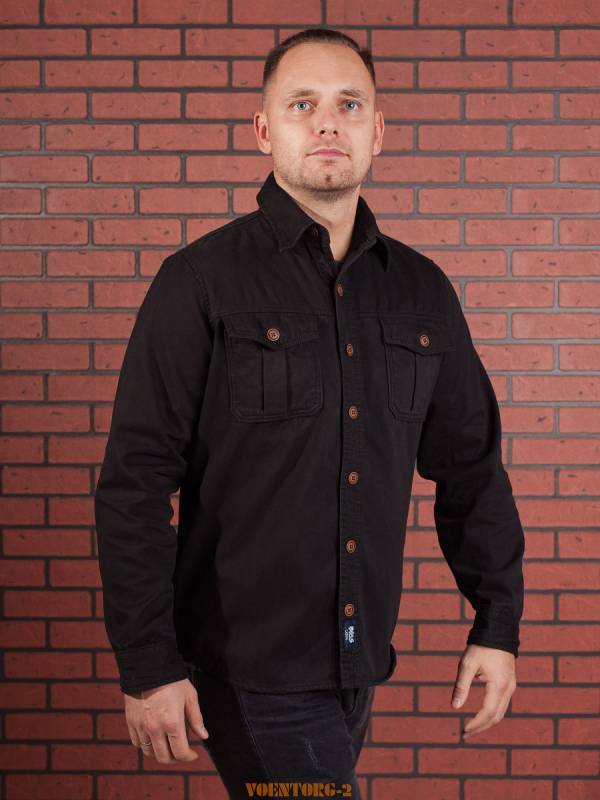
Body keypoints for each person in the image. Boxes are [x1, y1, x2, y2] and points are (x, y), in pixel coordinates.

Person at [94, 26, 525, 799]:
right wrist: (150, 665)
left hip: (357, 666)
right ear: (265, 130)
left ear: (377, 132)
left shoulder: (422, 291)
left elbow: (473, 472)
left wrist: (497, 627)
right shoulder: (199, 282)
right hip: (247, 670)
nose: (328, 122)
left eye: (349, 104)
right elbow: (134, 485)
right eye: (303, 104)